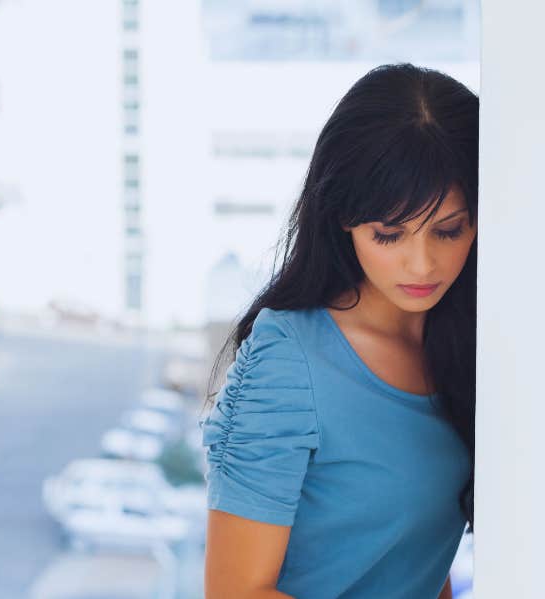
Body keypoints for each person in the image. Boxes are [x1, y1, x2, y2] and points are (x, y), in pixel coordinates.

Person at [201, 63, 477, 599]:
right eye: (389, 234)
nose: (422, 265)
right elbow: (235, 594)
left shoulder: (463, 349)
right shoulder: (289, 362)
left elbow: (411, 563)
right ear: (342, 217)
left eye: (449, 230)